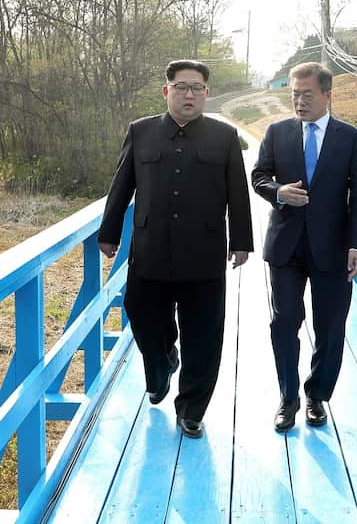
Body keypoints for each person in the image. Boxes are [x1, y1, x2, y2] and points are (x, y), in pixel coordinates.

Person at [98, 60, 254, 439]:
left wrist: (242, 242)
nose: (189, 94)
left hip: (204, 256)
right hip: (150, 251)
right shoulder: (142, 132)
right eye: (181, 87)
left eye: (196, 88)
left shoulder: (224, 136)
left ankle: (192, 410)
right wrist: (109, 232)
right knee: (139, 312)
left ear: (206, 93)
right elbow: (122, 186)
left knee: (204, 336)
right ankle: (163, 359)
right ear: (166, 91)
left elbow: (238, 193)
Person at [251, 62, 357, 432]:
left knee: (331, 326)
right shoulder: (277, 132)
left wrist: (356, 243)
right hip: (285, 246)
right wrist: (278, 193)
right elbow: (258, 177)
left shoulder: (350, 137)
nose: (299, 102)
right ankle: (288, 398)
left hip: (333, 248)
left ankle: (317, 395)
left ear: (327, 95)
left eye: (307, 94)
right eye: (294, 95)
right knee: (284, 322)